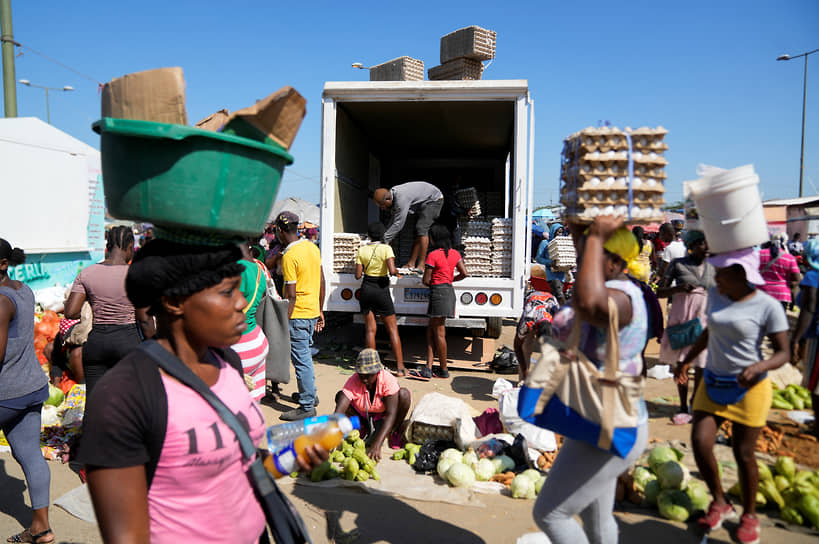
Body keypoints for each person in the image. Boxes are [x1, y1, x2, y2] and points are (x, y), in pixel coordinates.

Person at [75, 237, 327, 543]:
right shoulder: (124, 395)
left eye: (239, 290)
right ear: (174, 302)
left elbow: (232, 464)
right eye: (226, 292)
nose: (241, 304)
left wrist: (288, 456)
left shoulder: (228, 362)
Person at [533, 216, 648, 544]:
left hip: (612, 426)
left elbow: (588, 304)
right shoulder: (609, 287)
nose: (583, 261)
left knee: (550, 514)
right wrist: (584, 231)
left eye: (592, 255)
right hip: (591, 417)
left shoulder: (623, 299)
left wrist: (595, 236)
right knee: (597, 518)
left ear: (615, 263)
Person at [674, 248, 789, 544]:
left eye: (722, 273)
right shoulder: (715, 295)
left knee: (744, 454)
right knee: (700, 442)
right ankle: (720, 502)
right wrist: (687, 361)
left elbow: (783, 352)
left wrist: (760, 367)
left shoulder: (768, 306)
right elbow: (710, 332)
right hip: (713, 381)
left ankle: (749, 515)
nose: (716, 278)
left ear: (741, 274)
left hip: (749, 388)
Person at [1, 239, 55, 544]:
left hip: (5, 391)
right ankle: (41, 528)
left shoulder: (0, 300)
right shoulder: (23, 289)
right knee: (30, 455)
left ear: (2, 265)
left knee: (29, 455)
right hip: (32, 387)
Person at [64, 226, 155, 395]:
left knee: (95, 400)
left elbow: (70, 312)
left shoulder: (87, 273)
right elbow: (145, 320)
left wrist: (92, 305)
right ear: (129, 246)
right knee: (128, 401)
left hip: (96, 343)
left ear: (108, 246)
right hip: (127, 342)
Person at [657, 230, 715, 421]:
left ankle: (695, 402)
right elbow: (661, 292)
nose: (706, 248)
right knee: (681, 362)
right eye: (701, 244)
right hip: (682, 318)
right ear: (691, 246)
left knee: (702, 364)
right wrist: (678, 289)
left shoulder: (713, 266)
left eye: (707, 243)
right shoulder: (677, 265)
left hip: (704, 318)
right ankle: (682, 405)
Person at [277, 211, 326, 420]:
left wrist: (282, 321)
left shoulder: (289, 256)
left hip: (297, 314)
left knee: (301, 359)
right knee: (305, 355)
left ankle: (306, 406)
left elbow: (290, 295)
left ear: (280, 231)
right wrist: (321, 309)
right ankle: (310, 395)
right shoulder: (312, 247)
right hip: (312, 310)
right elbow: (322, 280)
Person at [334, 348, 411, 461]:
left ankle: (394, 432)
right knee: (340, 396)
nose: (364, 379)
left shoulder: (387, 379)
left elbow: (391, 414)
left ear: (377, 372)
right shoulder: (354, 380)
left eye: (368, 375)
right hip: (363, 412)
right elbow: (339, 411)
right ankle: (362, 426)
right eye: (361, 375)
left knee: (404, 395)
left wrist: (377, 444)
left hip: (383, 414)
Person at [356, 222, 405, 376]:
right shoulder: (386, 248)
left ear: (369, 235)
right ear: (383, 234)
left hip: (366, 289)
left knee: (370, 330)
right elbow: (391, 270)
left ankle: (372, 368)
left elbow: (358, 275)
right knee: (392, 330)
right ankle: (401, 368)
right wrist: (396, 271)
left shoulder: (362, 250)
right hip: (381, 290)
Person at [421, 224, 468, 379]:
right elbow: (465, 273)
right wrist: (450, 279)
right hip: (448, 292)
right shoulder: (455, 254)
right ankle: (428, 366)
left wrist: (437, 282)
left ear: (434, 239)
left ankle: (443, 369)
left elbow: (426, 280)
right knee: (432, 330)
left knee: (439, 333)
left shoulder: (433, 255)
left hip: (438, 293)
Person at [374, 181, 444, 270]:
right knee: (418, 231)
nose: (382, 209)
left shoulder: (400, 199)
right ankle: (411, 263)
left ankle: (422, 265)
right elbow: (393, 221)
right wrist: (384, 237)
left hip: (434, 199)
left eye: (382, 206)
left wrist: (385, 240)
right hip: (424, 200)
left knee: (421, 228)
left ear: (388, 199)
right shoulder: (392, 195)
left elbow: (399, 223)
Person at [231, 242, 270, 402]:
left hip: (239, 346)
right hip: (256, 339)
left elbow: (234, 303)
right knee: (253, 402)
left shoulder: (238, 268)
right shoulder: (259, 269)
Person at [790, 238, 819, 438]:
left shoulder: (812, 277)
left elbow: (808, 310)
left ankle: (818, 425)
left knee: (815, 383)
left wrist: (796, 339)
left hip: (817, 335)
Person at [514, 265, 559, 382]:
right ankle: (522, 381)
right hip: (533, 304)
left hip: (548, 303)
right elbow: (517, 346)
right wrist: (525, 371)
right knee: (526, 347)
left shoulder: (557, 318)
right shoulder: (528, 319)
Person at [758, 233, 801, 312]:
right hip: (782, 295)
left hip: (761, 293)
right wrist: (789, 285)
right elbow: (797, 279)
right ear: (785, 242)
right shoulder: (789, 258)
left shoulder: (759, 254)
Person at [535, 223, 567, 306]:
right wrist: (550, 263)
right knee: (559, 295)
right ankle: (565, 313)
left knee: (555, 296)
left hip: (562, 275)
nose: (560, 234)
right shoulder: (545, 243)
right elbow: (538, 258)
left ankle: (553, 313)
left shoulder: (563, 244)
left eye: (561, 232)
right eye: (558, 232)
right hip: (551, 274)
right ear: (553, 232)